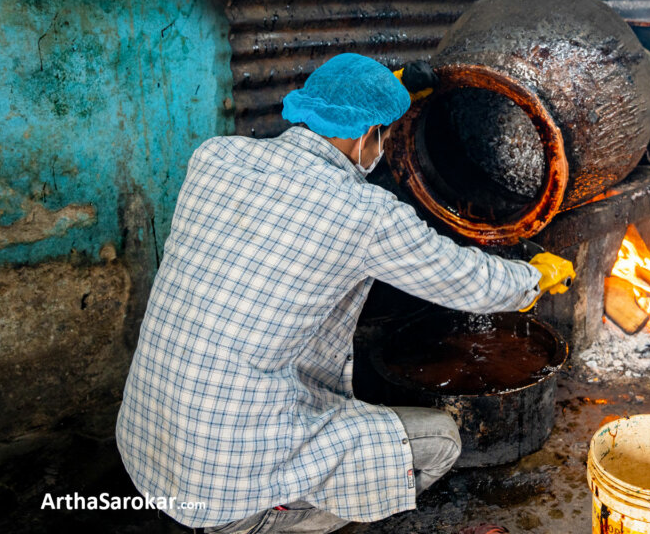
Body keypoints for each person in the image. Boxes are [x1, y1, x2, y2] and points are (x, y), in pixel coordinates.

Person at [115, 53, 575, 534]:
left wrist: (385, 94)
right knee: (440, 442)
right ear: (367, 136)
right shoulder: (364, 214)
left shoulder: (215, 157)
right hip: (226, 484)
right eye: (385, 133)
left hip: (146, 447)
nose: (386, 146)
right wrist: (534, 278)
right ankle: (273, 519)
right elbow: (470, 281)